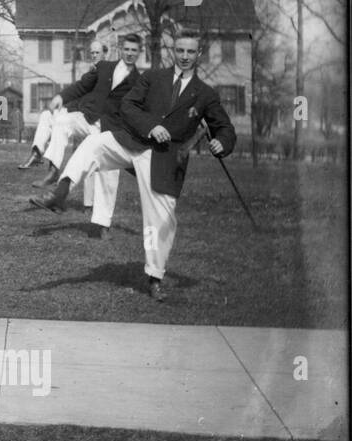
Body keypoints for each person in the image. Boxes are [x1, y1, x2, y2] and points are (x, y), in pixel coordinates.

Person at [29, 28, 235, 301]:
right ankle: (61, 192)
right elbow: (128, 106)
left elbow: (226, 128)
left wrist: (222, 142)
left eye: (190, 51)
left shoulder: (205, 94)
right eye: (180, 50)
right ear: (173, 51)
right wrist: (151, 126)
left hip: (163, 160)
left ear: (198, 54)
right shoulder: (153, 77)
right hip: (133, 142)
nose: (184, 56)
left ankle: (154, 277)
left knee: (160, 222)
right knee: (95, 143)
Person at [34, 33, 143, 238]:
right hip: (90, 120)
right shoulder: (103, 68)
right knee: (62, 122)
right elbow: (82, 86)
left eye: (134, 50)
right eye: (126, 49)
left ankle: (102, 226)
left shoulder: (139, 81)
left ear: (139, 52)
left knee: (108, 177)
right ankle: (54, 172)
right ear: (120, 49)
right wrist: (61, 96)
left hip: (113, 132)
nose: (129, 53)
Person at [20, 41, 106, 170]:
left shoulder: (109, 74)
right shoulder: (91, 73)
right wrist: (62, 101)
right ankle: (37, 154)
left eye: (97, 53)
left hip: (95, 122)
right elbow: (79, 90)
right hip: (78, 115)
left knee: (94, 171)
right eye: (92, 53)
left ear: (104, 54)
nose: (94, 55)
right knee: (46, 115)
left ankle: (53, 166)